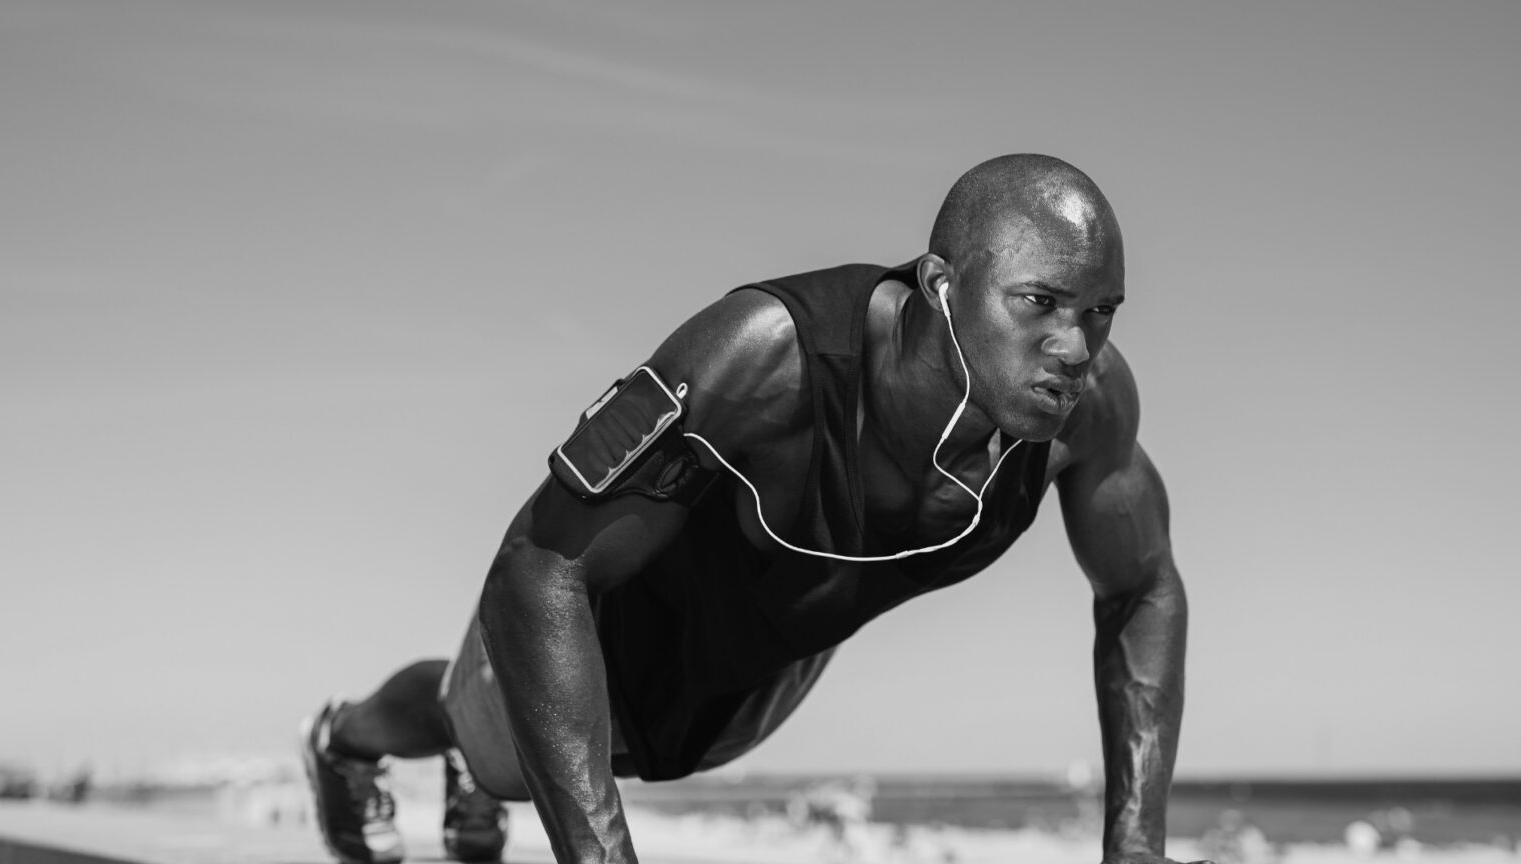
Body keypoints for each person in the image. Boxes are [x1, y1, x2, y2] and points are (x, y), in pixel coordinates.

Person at [300, 154, 1211, 864]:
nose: (1073, 344)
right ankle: (346, 740)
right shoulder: (765, 356)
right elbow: (538, 567)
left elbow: (1142, 589)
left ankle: (478, 766)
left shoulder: (1086, 411)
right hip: (605, 615)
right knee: (486, 744)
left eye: (1101, 311)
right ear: (942, 286)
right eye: (1040, 302)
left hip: (762, 664)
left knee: (659, 757)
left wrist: (1135, 844)